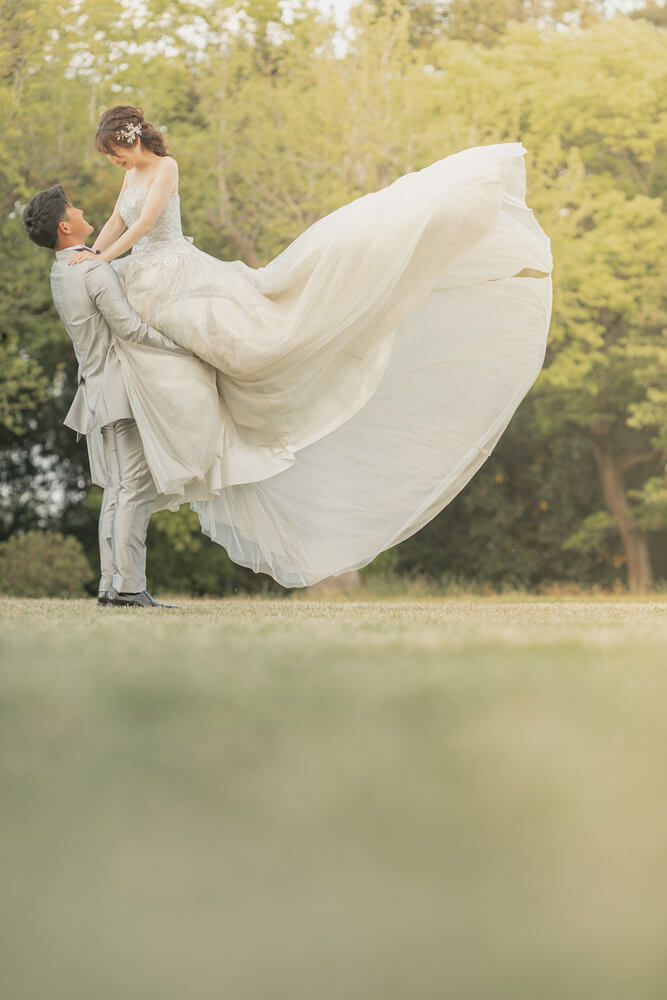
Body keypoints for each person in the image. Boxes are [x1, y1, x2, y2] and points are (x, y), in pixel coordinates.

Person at [67, 104, 553, 588]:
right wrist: (92, 253)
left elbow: (146, 225)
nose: (116, 164)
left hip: (174, 271)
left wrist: (99, 260)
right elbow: (116, 220)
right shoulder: (130, 177)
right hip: (146, 279)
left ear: (130, 139)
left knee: (254, 338)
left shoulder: (164, 167)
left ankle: (288, 363)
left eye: (115, 154)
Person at [22, 184, 204, 608]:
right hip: (120, 390)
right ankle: (128, 587)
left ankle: (111, 584)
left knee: (118, 488)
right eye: (75, 209)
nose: (85, 210)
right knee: (135, 489)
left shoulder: (61, 270)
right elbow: (129, 329)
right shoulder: (92, 270)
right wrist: (184, 346)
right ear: (66, 226)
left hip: (96, 391)